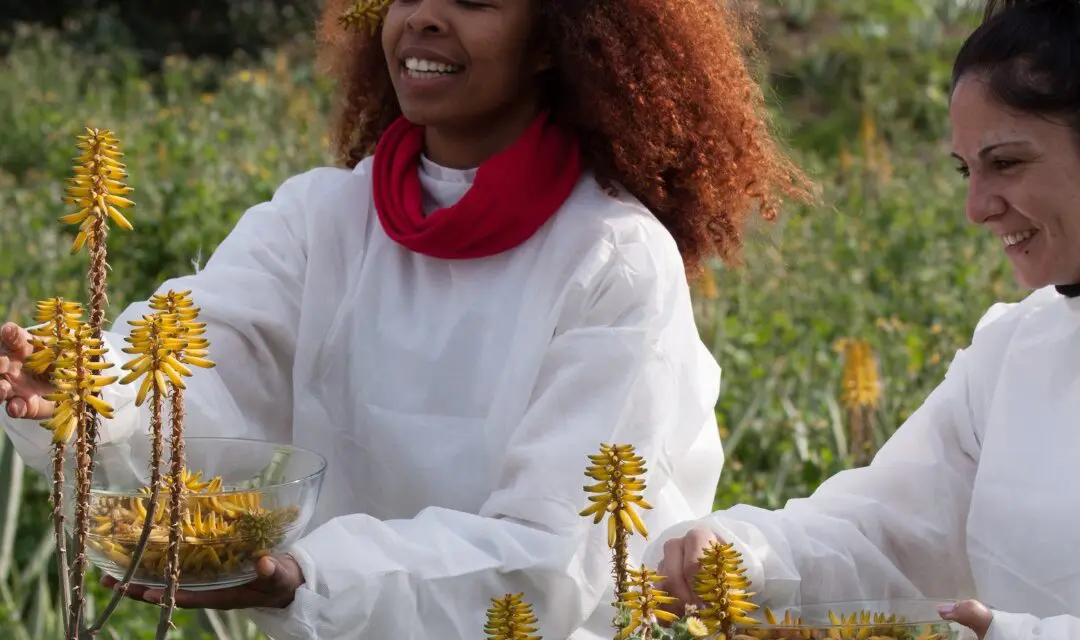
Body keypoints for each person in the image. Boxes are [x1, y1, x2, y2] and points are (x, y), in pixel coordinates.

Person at [0, 0, 807, 638]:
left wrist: (308, 580)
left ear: (554, 39)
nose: (422, 15)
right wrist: (79, 389)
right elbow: (195, 363)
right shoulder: (321, 217)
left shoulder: (614, 259)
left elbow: (555, 555)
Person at [647, 2, 1080, 639]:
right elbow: (886, 535)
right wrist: (749, 554)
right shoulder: (1014, 354)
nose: (977, 208)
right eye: (966, 170)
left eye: (1008, 162)